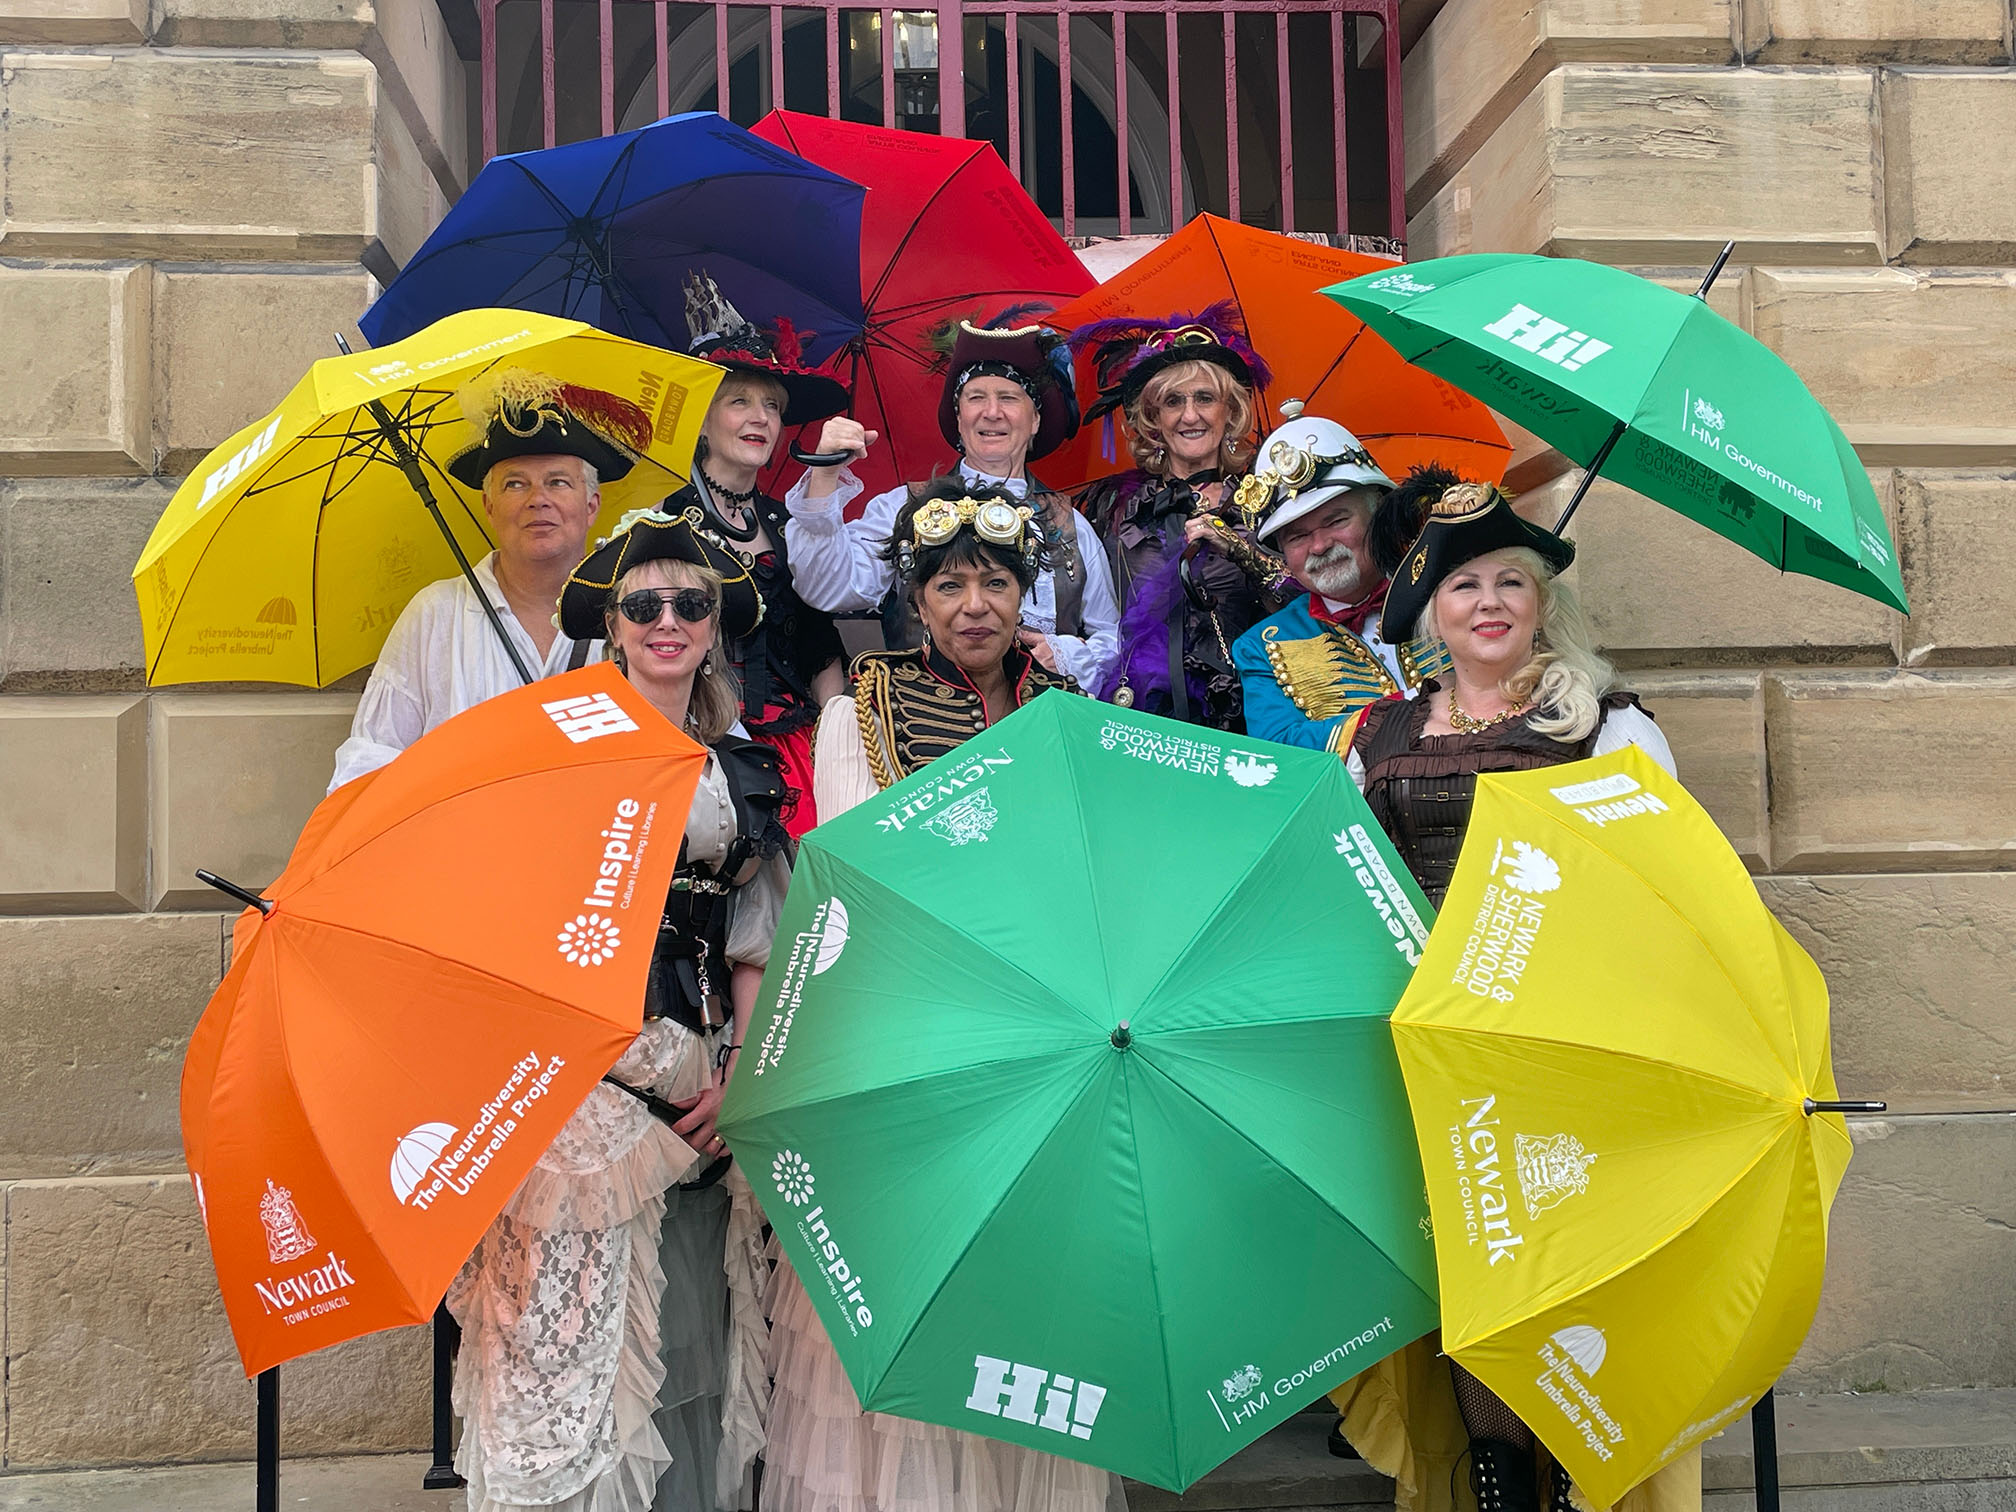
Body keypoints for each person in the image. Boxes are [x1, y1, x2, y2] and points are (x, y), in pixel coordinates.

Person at [1327, 480, 1690, 1512]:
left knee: (1562, 1273)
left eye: (1510, 583)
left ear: (1541, 603)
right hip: (1428, 1051)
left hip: (1559, 1044)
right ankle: (1493, 1483)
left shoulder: (1607, 727)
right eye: (1464, 584)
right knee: (1466, 1281)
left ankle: (1580, 1471)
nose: (1488, 601)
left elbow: (1662, 889)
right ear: (1429, 611)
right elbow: (1339, 888)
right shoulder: (1373, 738)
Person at [764, 479, 1116, 1512]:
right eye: (951, 584)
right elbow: (857, 885)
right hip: (919, 1034)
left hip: (1048, 1045)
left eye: (996, 582)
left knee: (1033, 1304)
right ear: (917, 602)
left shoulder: (1067, 711)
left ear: (1025, 598)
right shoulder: (862, 707)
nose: (975, 604)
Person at [449, 510, 792, 1512]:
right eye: (643, 605)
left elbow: (752, 947)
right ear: (614, 623)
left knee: (678, 1350)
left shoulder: (741, 772)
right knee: (570, 1355)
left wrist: (743, 1082)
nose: (667, 621)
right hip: (578, 1090)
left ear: (716, 624)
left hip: (699, 1101)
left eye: (692, 603)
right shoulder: (555, 754)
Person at [328, 368, 648, 788]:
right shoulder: (435, 615)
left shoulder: (639, 609)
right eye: (516, 484)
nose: (539, 500)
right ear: (490, 505)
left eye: (558, 482)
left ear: (591, 505)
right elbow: (369, 761)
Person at [782, 315, 1121, 695]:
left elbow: (1111, 638)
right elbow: (826, 588)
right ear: (959, 419)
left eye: (1008, 398)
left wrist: (1064, 654)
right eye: (976, 397)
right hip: (924, 729)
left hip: (1043, 728)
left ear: (1036, 420)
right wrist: (825, 474)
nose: (992, 412)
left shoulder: (1071, 525)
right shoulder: (902, 509)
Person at [673, 271, 853, 834]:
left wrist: (836, 743)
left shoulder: (787, 519)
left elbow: (820, 648)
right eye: (740, 402)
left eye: (772, 406)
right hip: (695, 747)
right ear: (704, 419)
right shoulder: (664, 523)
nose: (761, 417)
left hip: (798, 751)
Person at [1069, 305, 1290, 727]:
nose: (1190, 416)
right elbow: (1088, 610)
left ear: (1230, 413)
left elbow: (1307, 601)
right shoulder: (1112, 506)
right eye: (1173, 402)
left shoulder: (1267, 500)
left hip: (1248, 710)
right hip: (1137, 715)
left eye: (1205, 399)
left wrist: (1243, 551)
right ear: (1154, 420)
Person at [1230, 409, 1450, 752]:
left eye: (1336, 521)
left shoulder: (1449, 590)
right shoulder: (1259, 647)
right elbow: (1281, 754)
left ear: (1378, 513)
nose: (1319, 546)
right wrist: (1407, 709)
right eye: (1297, 537)